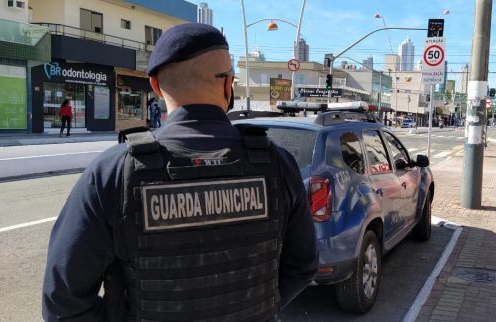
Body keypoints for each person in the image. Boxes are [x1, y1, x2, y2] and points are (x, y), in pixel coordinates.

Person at [42, 23, 318, 321]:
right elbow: (302, 266)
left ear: (156, 86)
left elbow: (64, 302)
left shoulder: (112, 172)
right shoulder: (278, 164)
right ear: (228, 86)